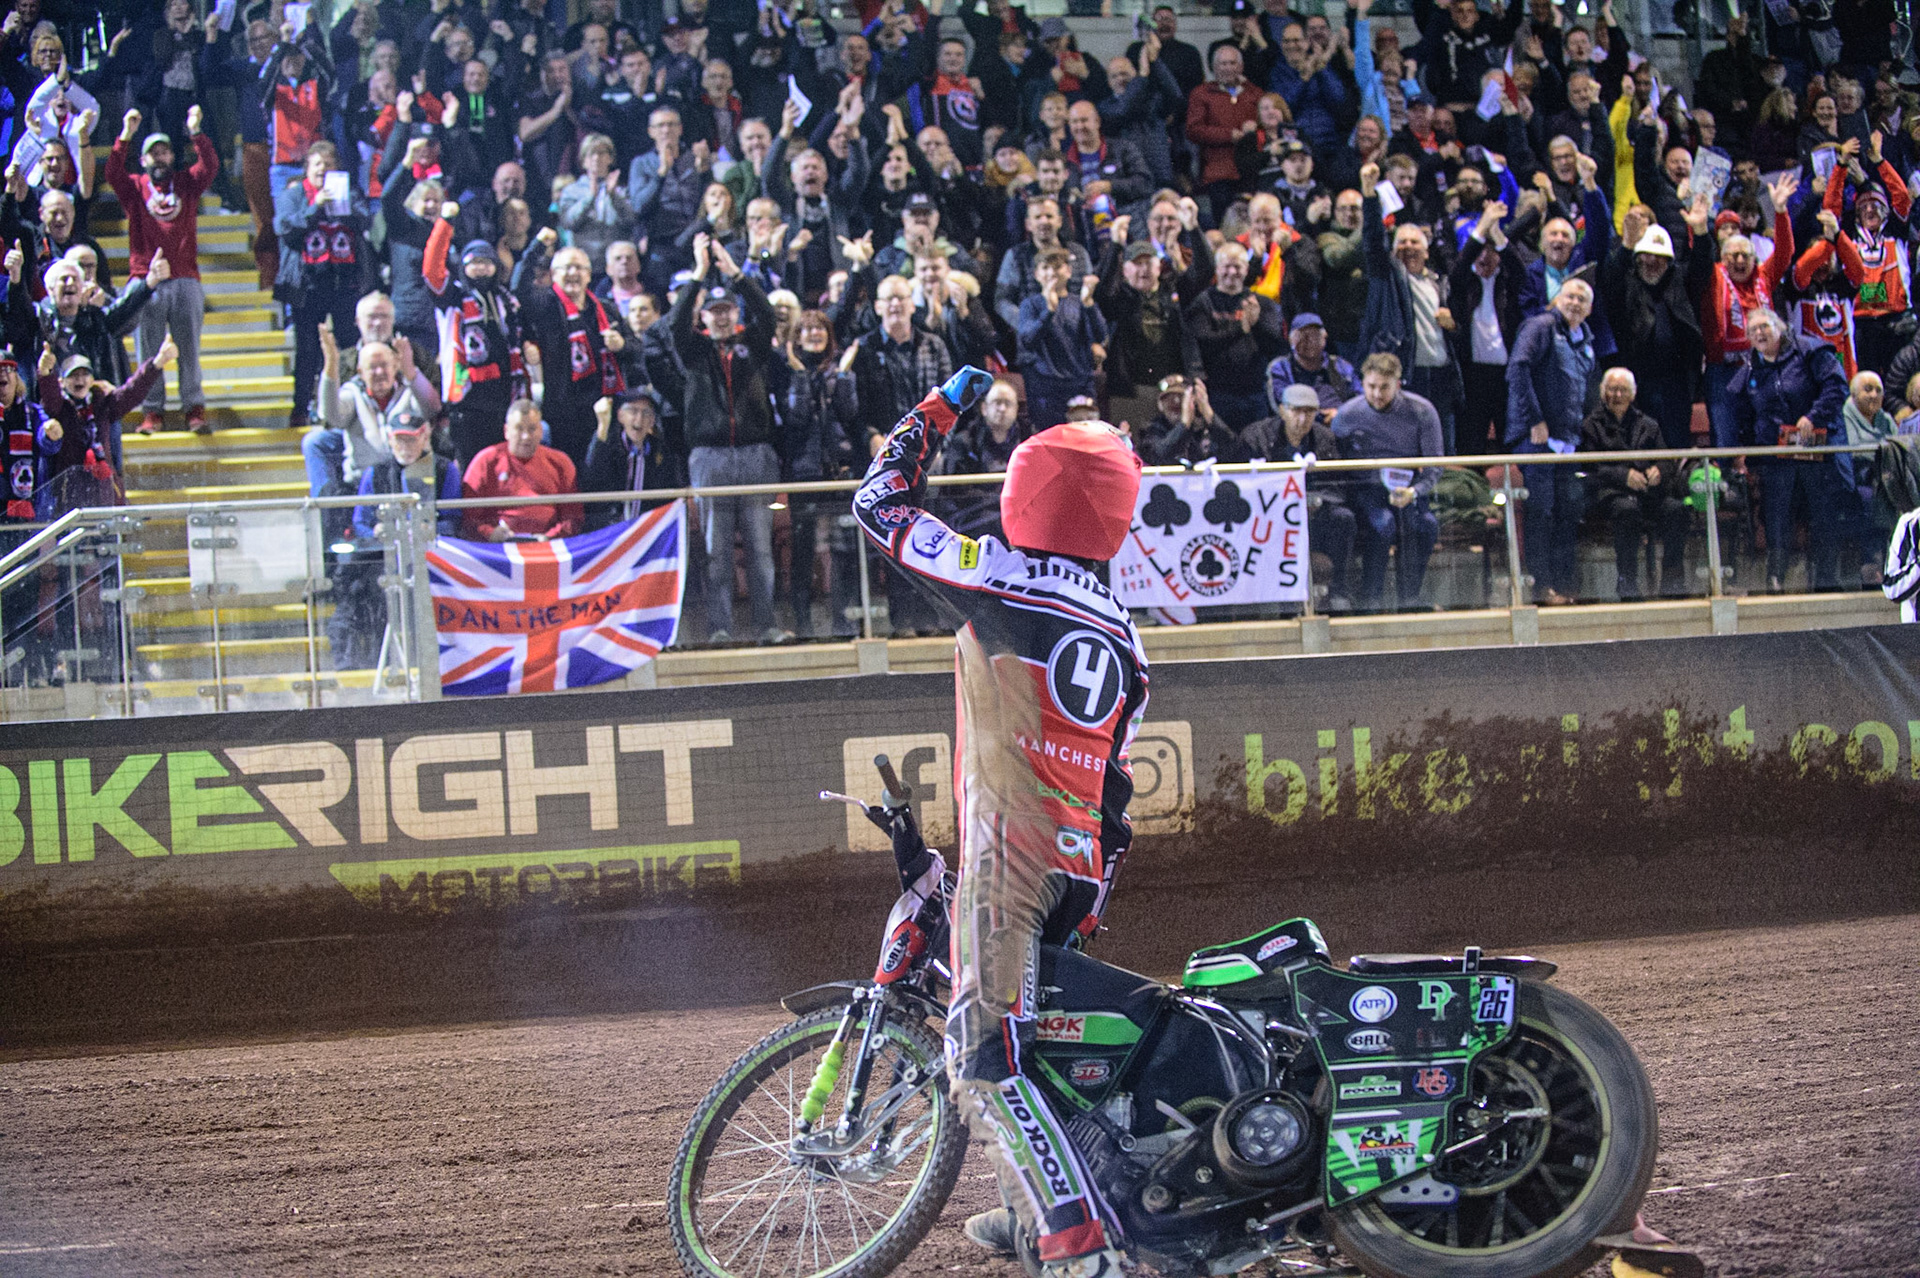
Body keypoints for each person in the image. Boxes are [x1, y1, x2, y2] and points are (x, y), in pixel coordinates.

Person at [853, 364, 1144, 1278]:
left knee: (981, 1053)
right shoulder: (1127, 640)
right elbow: (1118, 793)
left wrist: (938, 406)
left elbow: (879, 503)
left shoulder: (1001, 576)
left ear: (1024, 496)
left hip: (1009, 862)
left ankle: (1077, 1246)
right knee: (1053, 1057)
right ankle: (1047, 1215)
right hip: (1083, 866)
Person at [671, 234, 788, 645]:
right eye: (713, 311)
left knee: (760, 549)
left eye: (727, 310)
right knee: (716, 551)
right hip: (710, 457)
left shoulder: (751, 346)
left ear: (735, 313)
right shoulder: (694, 352)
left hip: (755, 454)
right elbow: (673, 322)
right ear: (703, 317)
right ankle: (719, 628)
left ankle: (766, 625)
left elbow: (768, 315)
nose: (720, 318)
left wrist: (736, 273)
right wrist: (699, 274)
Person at [105, 106, 217, 436]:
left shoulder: (186, 184)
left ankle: (193, 408)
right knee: (148, 350)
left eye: (164, 151)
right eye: (152, 154)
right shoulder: (136, 187)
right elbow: (112, 173)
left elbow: (210, 166)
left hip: (185, 277)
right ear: (143, 161)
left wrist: (196, 131)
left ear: (172, 156)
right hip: (145, 278)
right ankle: (152, 411)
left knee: (189, 348)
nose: (159, 158)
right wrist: (125, 134)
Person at [1740, 307, 1850, 592]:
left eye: (1764, 326)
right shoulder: (1751, 366)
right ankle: (1775, 580)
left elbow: (1837, 387)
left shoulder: (1810, 350)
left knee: (1822, 514)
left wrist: (1813, 417)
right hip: (1776, 455)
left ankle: (1826, 580)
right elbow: (1743, 412)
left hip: (1817, 448)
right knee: (1776, 515)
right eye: (1753, 331)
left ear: (1781, 328)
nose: (1759, 334)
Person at [1358, 163, 1459, 453]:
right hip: (1406, 374)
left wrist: (1454, 324)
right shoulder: (1387, 276)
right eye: (1402, 242)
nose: (1408, 247)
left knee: (1441, 449)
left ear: (1427, 251)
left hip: (1440, 375)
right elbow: (1373, 243)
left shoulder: (1440, 283)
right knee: (1405, 446)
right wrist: (1369, 196)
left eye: (1415, 242)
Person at [1507, 279, 1597, 605]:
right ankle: (1539, 587)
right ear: (1558, 298)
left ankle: (1563, 585)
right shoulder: (1540, 326)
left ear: (1589, 309)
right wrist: (1534, 419)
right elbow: (1518, 369)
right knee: (1541, 514)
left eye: (1582, 299)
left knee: (1566, 513)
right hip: (1537, 440)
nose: (1575, 302)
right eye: (1570, 295)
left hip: (1567, 443)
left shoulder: (1585, 339)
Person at [1331, 352, 1443, 611]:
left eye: (1384, 387)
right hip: (1365, 488)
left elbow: (1435, 464)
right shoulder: (1348, 414)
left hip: (1408, 487)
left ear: (1398, 384)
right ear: (1363, 383)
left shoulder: (1422, 411)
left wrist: (1415, 491)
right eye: (1371, 387)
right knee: (1383, 525)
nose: (1377, 394)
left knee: (1425, 525)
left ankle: (1409, 598)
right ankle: (1371, 599)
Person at [274, 141, 372, 432]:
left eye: (329, 166)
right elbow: (285, 229)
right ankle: (300, 408)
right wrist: (314, 208)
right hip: (307, 284)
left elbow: (365, 218)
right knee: (307, 349)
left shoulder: (349, 192)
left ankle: (350, 404)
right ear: (307, 169)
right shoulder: (294, 195)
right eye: (317, 165)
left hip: (344, 281)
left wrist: (344, 206)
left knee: (348, 345)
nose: (323, 171)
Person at [425, 212, 533, 469]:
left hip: (504, 396)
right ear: (464, 267)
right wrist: (445, 223)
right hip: (467, 398)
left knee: (503, 465)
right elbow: (431, 270)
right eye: (474, 262)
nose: (481, 267)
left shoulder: (506, 299)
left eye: (487, 262)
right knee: (471, 467)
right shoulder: (452, 297)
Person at [781, 312, 862, 637]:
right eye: (807, 329)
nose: (814, 333)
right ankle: (804, 626)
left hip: (839, 472)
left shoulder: (841, 372)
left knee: (845, 549)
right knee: (803, 550)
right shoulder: (787, 371)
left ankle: (846, 623)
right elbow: (796, 419)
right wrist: (800, 376)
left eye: (820, 328)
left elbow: (850, 415)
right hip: (805, 471)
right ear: (797, 337)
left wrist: (843, 375)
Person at [1241, 381, 1356, 609]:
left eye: (1309, 412)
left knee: (1344, 518)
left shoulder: (1325, 439)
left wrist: (1318, 501)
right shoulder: (1256, 436)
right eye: (1296, 411)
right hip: (1269, 516)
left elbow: (1337, 485)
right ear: (1282, 410)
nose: (1302, 420)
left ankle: (1338, 590)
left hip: (1315, 514)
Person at [1581, 367, 1689, 600]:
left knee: (1676, 510)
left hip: (1648, 493)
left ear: (1632, 394)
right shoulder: (1591, 425)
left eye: (1623, 390)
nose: (1617, 396)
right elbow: (1591, 468)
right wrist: (1623, 476)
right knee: (1627, 510)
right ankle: (1627, 581)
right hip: (1610, 493)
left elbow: (1666, 459)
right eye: (1612, 390)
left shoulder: (1648, 424)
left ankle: (1672, 581)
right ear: (1603, 392)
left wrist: (1658, 471)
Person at [34, 340, 170, 517]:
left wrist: (157, 363)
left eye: (85, 374)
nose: (80, 380)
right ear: (62, 382)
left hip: (103, 491)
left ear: (92, 380)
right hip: (70, 494)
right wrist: (45, 373)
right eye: (74, 375)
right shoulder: (60, 408)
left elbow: (132, 392)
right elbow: (50, 399)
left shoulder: (103, 404)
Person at [521, 245, 628, 467]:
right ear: (554, 275)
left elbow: (635, 348)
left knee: (602, 473)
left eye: (579, 267)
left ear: (589, 275)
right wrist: (538, 247)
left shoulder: (605, 309)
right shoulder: (546, 305)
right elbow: (518, 286)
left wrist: (622, 345)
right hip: (563, 411)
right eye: (566, 267)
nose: (573, 273)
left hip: (604, 405)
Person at [1185, 242, 1286, 429]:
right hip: (1218, 393)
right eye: (1226, 266)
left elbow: (1275, 345)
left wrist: (1256, 325)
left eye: (1237, 266)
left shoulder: (1261, 304)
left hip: (1254, 393)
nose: (1232, 272)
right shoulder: (1203, 303)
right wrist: (1241, 328)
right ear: (1217, 268)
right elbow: (1204, 342)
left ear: (1247, 269)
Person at [460, 398, 586, 542]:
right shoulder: (485, 461)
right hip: (497, 549)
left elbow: (573, 518)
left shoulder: (561, 463)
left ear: (540, 431)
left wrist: (549, 537)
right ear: (506, 431)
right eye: (519, 428)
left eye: (532, 429)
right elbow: (468, 519)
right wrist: (490, 533)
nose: (526, 437)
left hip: (549, 548)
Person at [1016, 249, 1108, 432]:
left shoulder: (1079, 302)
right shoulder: (1030, 304)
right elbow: (1027, 340)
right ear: (1036, 274)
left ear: (1068, 271)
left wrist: (1089, 304)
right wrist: (1048, 312)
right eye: (1045, 268)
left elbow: (1100, 335)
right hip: (1047, 388)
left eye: (1057, 267)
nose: (1051, 273)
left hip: (1080, 384)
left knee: (1087, 439)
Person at [581, 388, 669, 530]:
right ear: (621, 416)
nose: (639, 419)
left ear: (652, 420)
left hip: (645, 531)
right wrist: (602, 426)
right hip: (609, 531)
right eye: (633, 411)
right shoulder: (607, 444)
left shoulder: (660, 452)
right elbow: (591, 479)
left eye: (646, 413)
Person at [1138, 374, 1239, 465]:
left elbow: (1235, 451)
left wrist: (1209, 415)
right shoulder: (1151, 431)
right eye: (1169, 398)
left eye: (1181, 397)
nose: (1176, 401)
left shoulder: (1203, 430)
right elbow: (1159, 455)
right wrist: (1183, 425)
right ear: (1160, 405)